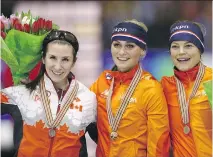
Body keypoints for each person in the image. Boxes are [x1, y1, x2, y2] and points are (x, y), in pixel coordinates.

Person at [1, 30, 97, 157]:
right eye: (53, 57)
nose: (58, 66)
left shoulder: (88, 98)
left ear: (74, 61)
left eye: (65, 59)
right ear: (43, 58)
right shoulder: (23, 92)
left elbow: (107, 141)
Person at [90, 19, 170, 157]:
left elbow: (158, 143)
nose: (121, 52)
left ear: (143, 51)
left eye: (130, 46)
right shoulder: (102, 82)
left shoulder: (151, 88)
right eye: (116, 45)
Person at [161, 20, 212, 157]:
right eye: (175, 46)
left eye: (188, 46)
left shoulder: (211, 81)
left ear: (200, 49)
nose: (181, 52)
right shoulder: (164, 87)